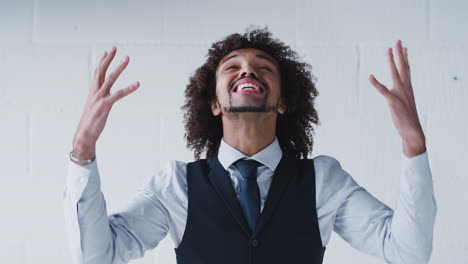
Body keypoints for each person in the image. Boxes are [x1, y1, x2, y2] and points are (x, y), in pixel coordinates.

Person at [63, 27, 437, 264]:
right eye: (233, 67)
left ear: (283, 101)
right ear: (214, 103)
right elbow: (98, 257)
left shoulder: (323, 180)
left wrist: (413, 145)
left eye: (263, 67)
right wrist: (83, 149)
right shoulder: (176, 185)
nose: (248, 71)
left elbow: (406, 252)